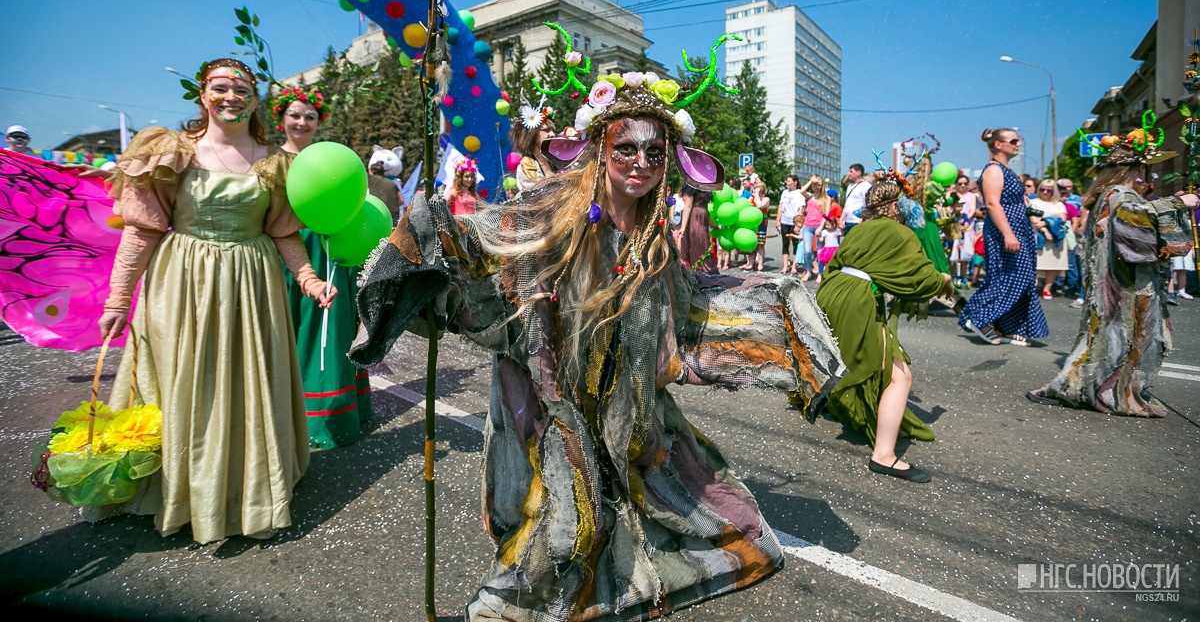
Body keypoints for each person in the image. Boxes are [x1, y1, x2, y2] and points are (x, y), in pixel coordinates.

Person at [349, 64, 845, 620]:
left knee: (740, 535)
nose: (640, 163)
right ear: (600, 147)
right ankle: (505, 605)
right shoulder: (557, 208)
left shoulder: (652, 232)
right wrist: (431, 236)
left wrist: (704, 205)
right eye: (626, 148)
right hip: (551, 391)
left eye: (656, 153)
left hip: (625, 398)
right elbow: (492, 242)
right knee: (569, 527)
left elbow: (684, 287)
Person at [97, 58, 335, 543]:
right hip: (183, 285)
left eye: (242, 89)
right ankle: (181, 493)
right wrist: (119, 300)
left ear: (256, 97)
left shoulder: (274, 161)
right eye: (220, 88)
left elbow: (284, 234)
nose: (231, 97)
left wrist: (309, 280)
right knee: (188, 382)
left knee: (249, 382)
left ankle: (247, 492)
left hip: (253, 285)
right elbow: (143, 232)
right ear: (203, 95)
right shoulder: (170, 151)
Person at [1028, 131, 1197, 416]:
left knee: (1112, 336)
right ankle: (1101, 389)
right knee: (1119, 335)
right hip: (1123, 284)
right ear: (1135, 170)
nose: (1148, 178)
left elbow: (1137, 216)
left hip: (1115, 282)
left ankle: (1098, 386)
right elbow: (1135, 224)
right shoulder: (1119, 193)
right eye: (1145, 172)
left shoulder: (1110, 194)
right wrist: (1179, 204)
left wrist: (1170, 203)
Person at [817, 174, 953, 483]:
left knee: (842, 356)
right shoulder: (900, 233)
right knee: (900, 375)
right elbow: (920, 278)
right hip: (857, 301)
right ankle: (884, 456)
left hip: (832, 293)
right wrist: (944, 280)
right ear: (897, 206)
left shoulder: (859, 229)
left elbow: (834, 265)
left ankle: (831, 403)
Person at [273, 86, 371, 449]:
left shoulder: (329, 159)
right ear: (282, 119)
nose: (302, 122)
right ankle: (292, 417)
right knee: (293, 332)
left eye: (309, 116)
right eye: (295, 115)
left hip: (331, 252)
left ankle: (333, 414)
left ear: (319, 122)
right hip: (289, 256)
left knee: (331, 331)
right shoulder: (270, 162)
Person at [960, 128, 1048, 346]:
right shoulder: (993, 169)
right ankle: (978, 318)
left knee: (1023, 277)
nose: (1018, 144)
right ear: (998, 145)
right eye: (1013, 141)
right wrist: (1008, 233)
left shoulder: (1006, 169)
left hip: (1019, 227)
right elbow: (992, 203)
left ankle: (1006, 326)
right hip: (1005, 230)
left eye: (1018, 141)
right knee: (1009, 276)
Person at [1029, 179, 1068, 299]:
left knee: (1053, 264)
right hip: (1038, 236)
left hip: (1056, 236)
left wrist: (1045, 223)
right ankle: (1032, 288)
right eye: (1042, 189)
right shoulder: (1034, 202)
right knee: (1035, 263)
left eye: (1049, 190)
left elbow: (1062, 218)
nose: (1045, 192)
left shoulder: (1058, 204)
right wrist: (1045, 231)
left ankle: (1047, 289)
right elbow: (1033, 218)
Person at [510, 102, 556, 193]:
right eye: (546, 130)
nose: (552, 134)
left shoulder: (557, 161)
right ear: (533, 135)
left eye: (553, 130)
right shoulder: (526, 168)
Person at [799, 175, 834, 281]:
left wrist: (821, 227)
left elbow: (826, 214)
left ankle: (819, 273)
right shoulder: (810, 196)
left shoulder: (826, 198)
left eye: (818, 184)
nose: (816, 187)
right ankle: (808, 271)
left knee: (819, 252)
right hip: (808, 226)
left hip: (819, 226)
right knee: (807, 251)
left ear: (822, 185)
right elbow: (802, 190)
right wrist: (811, 180)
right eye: (815, 185)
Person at [677, 183, 716, 273]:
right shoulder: (690, 186)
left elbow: (705, 207)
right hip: (695, 217)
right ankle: (699, 268)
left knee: (703, 240)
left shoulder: (705, 187)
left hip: (702, 217)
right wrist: (682, 227)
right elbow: (688, 205)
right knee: (699, 239)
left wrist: (712, 224)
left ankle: (704, 268)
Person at [776, 174, 804, 274]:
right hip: (785, 221)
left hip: (794, 221)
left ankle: (794, 267)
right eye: (786, 181)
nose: (787, 183)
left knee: (795, 244)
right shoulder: (784, 192)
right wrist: (778, 220)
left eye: (789, 181)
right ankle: (785, 266)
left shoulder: (799, 193)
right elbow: (781, 206)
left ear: (795, 182)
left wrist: (798, 224)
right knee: (785, 244)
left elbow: (801, 209)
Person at [742, 180, 771, 271]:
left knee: (760, 244)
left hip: (761, 224)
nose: (754, 191)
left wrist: (757, 195)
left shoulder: (766, 199)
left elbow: (759, 205)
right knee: (751, 243)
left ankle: (760, 264)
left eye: (756, 189)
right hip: (751, 224)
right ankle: (750, 263)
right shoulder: (751, 199)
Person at [841, 163, 870, 233]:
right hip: (847, 221)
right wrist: (841, 219)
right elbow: (847, 204)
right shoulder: (850, 186)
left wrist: (863, 219)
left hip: (857, 221)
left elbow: (867, 203)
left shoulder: (866, 186)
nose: (848, 174)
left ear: (858, 173)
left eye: (851, 171)